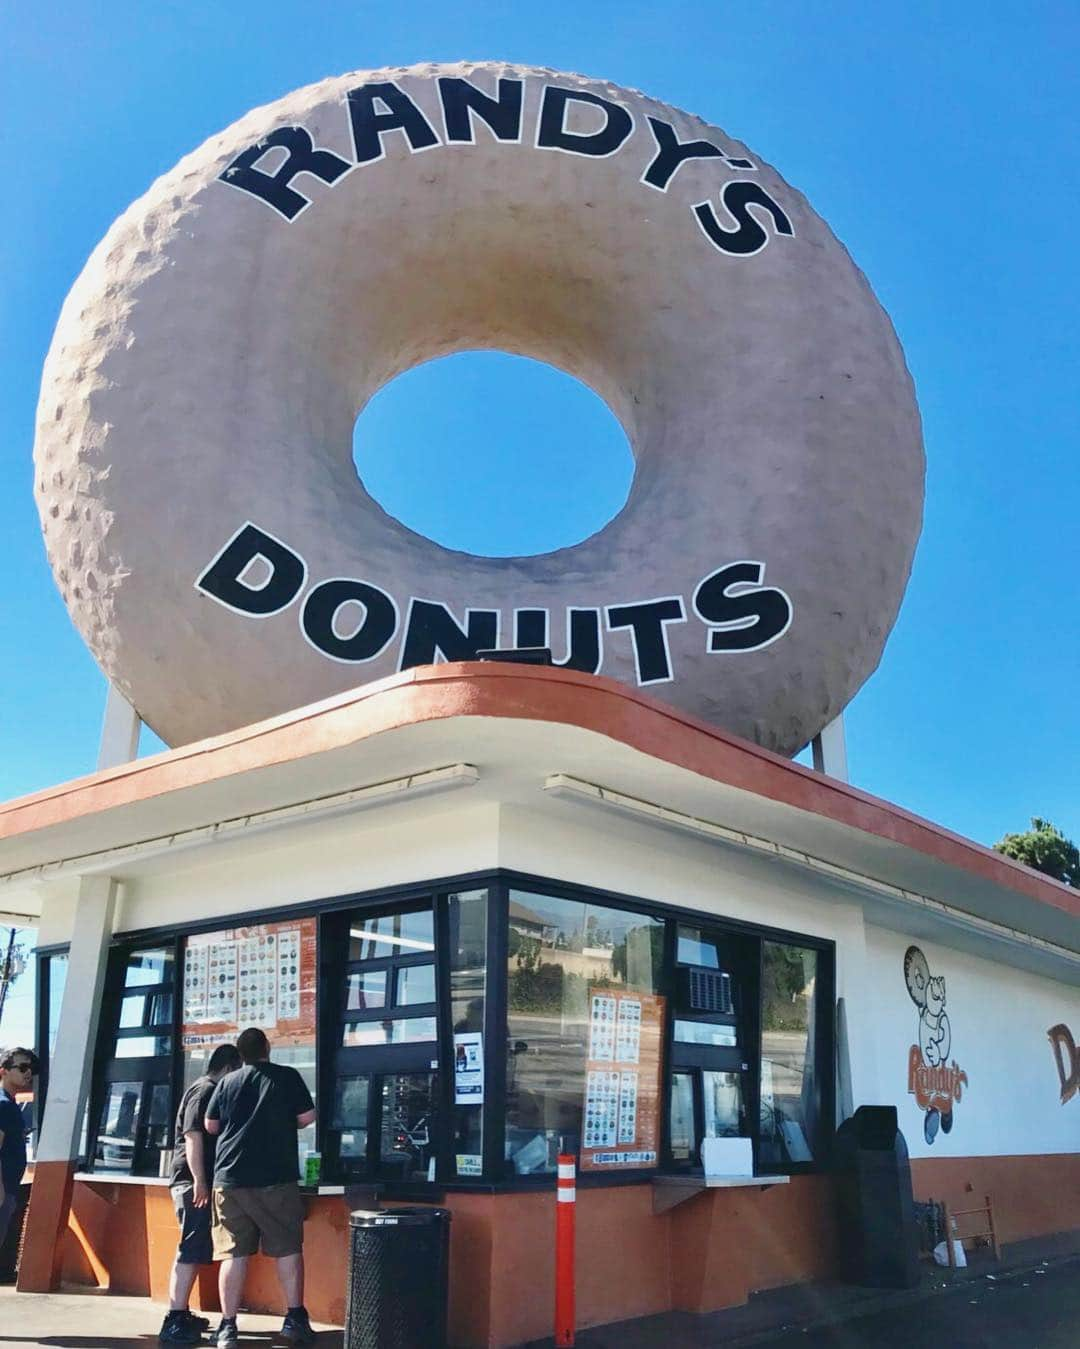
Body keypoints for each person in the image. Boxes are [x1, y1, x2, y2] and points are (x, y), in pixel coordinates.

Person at [205, 1028, 316, 1347]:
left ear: (241, 1055)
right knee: (287, 1248)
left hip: (229, 1178)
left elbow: (211, 1126)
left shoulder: (228, 1081)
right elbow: (307, 1116)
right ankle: (294, 1319)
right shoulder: (287, 1076)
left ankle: (227, 1327)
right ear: (267, 1048)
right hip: (275, 1177)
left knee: (233, 1254)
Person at [159, 1042, 243, 1345]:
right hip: (192, 1183)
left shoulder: (206, 1088)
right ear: (231, 1067)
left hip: (197, 1181)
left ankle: (180, 1313)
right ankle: (174, 1317)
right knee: (191, 1248)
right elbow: (193, 1137)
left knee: (195, 1247)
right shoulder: (205, 1090)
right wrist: (200, 1181)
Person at [0, 1048, 38, 1253]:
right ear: (3, 1072)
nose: (28, 1073)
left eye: (30, 1068)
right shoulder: (4, 1105)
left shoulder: (10, 1105)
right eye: (22, 1067)